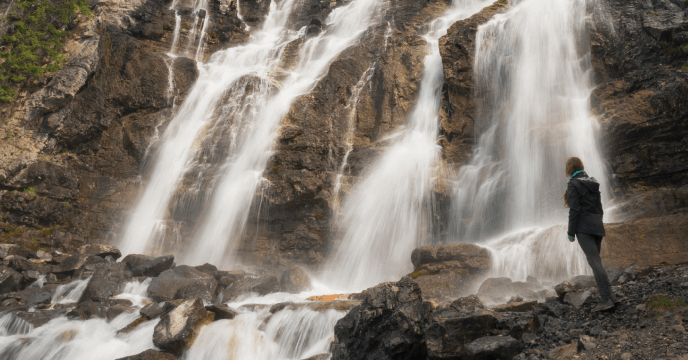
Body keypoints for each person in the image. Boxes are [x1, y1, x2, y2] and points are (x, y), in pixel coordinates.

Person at [563, 157, 615, 311]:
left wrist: (570, 232)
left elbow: (575, 210)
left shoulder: (573, 184)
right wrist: (598, 223)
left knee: (595, 263)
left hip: (584, 228)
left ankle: (606, 300)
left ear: (569, 169)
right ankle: (611, 296)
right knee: (597, 262)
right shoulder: (593, 182)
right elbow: (600, 208)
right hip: (597, 226)